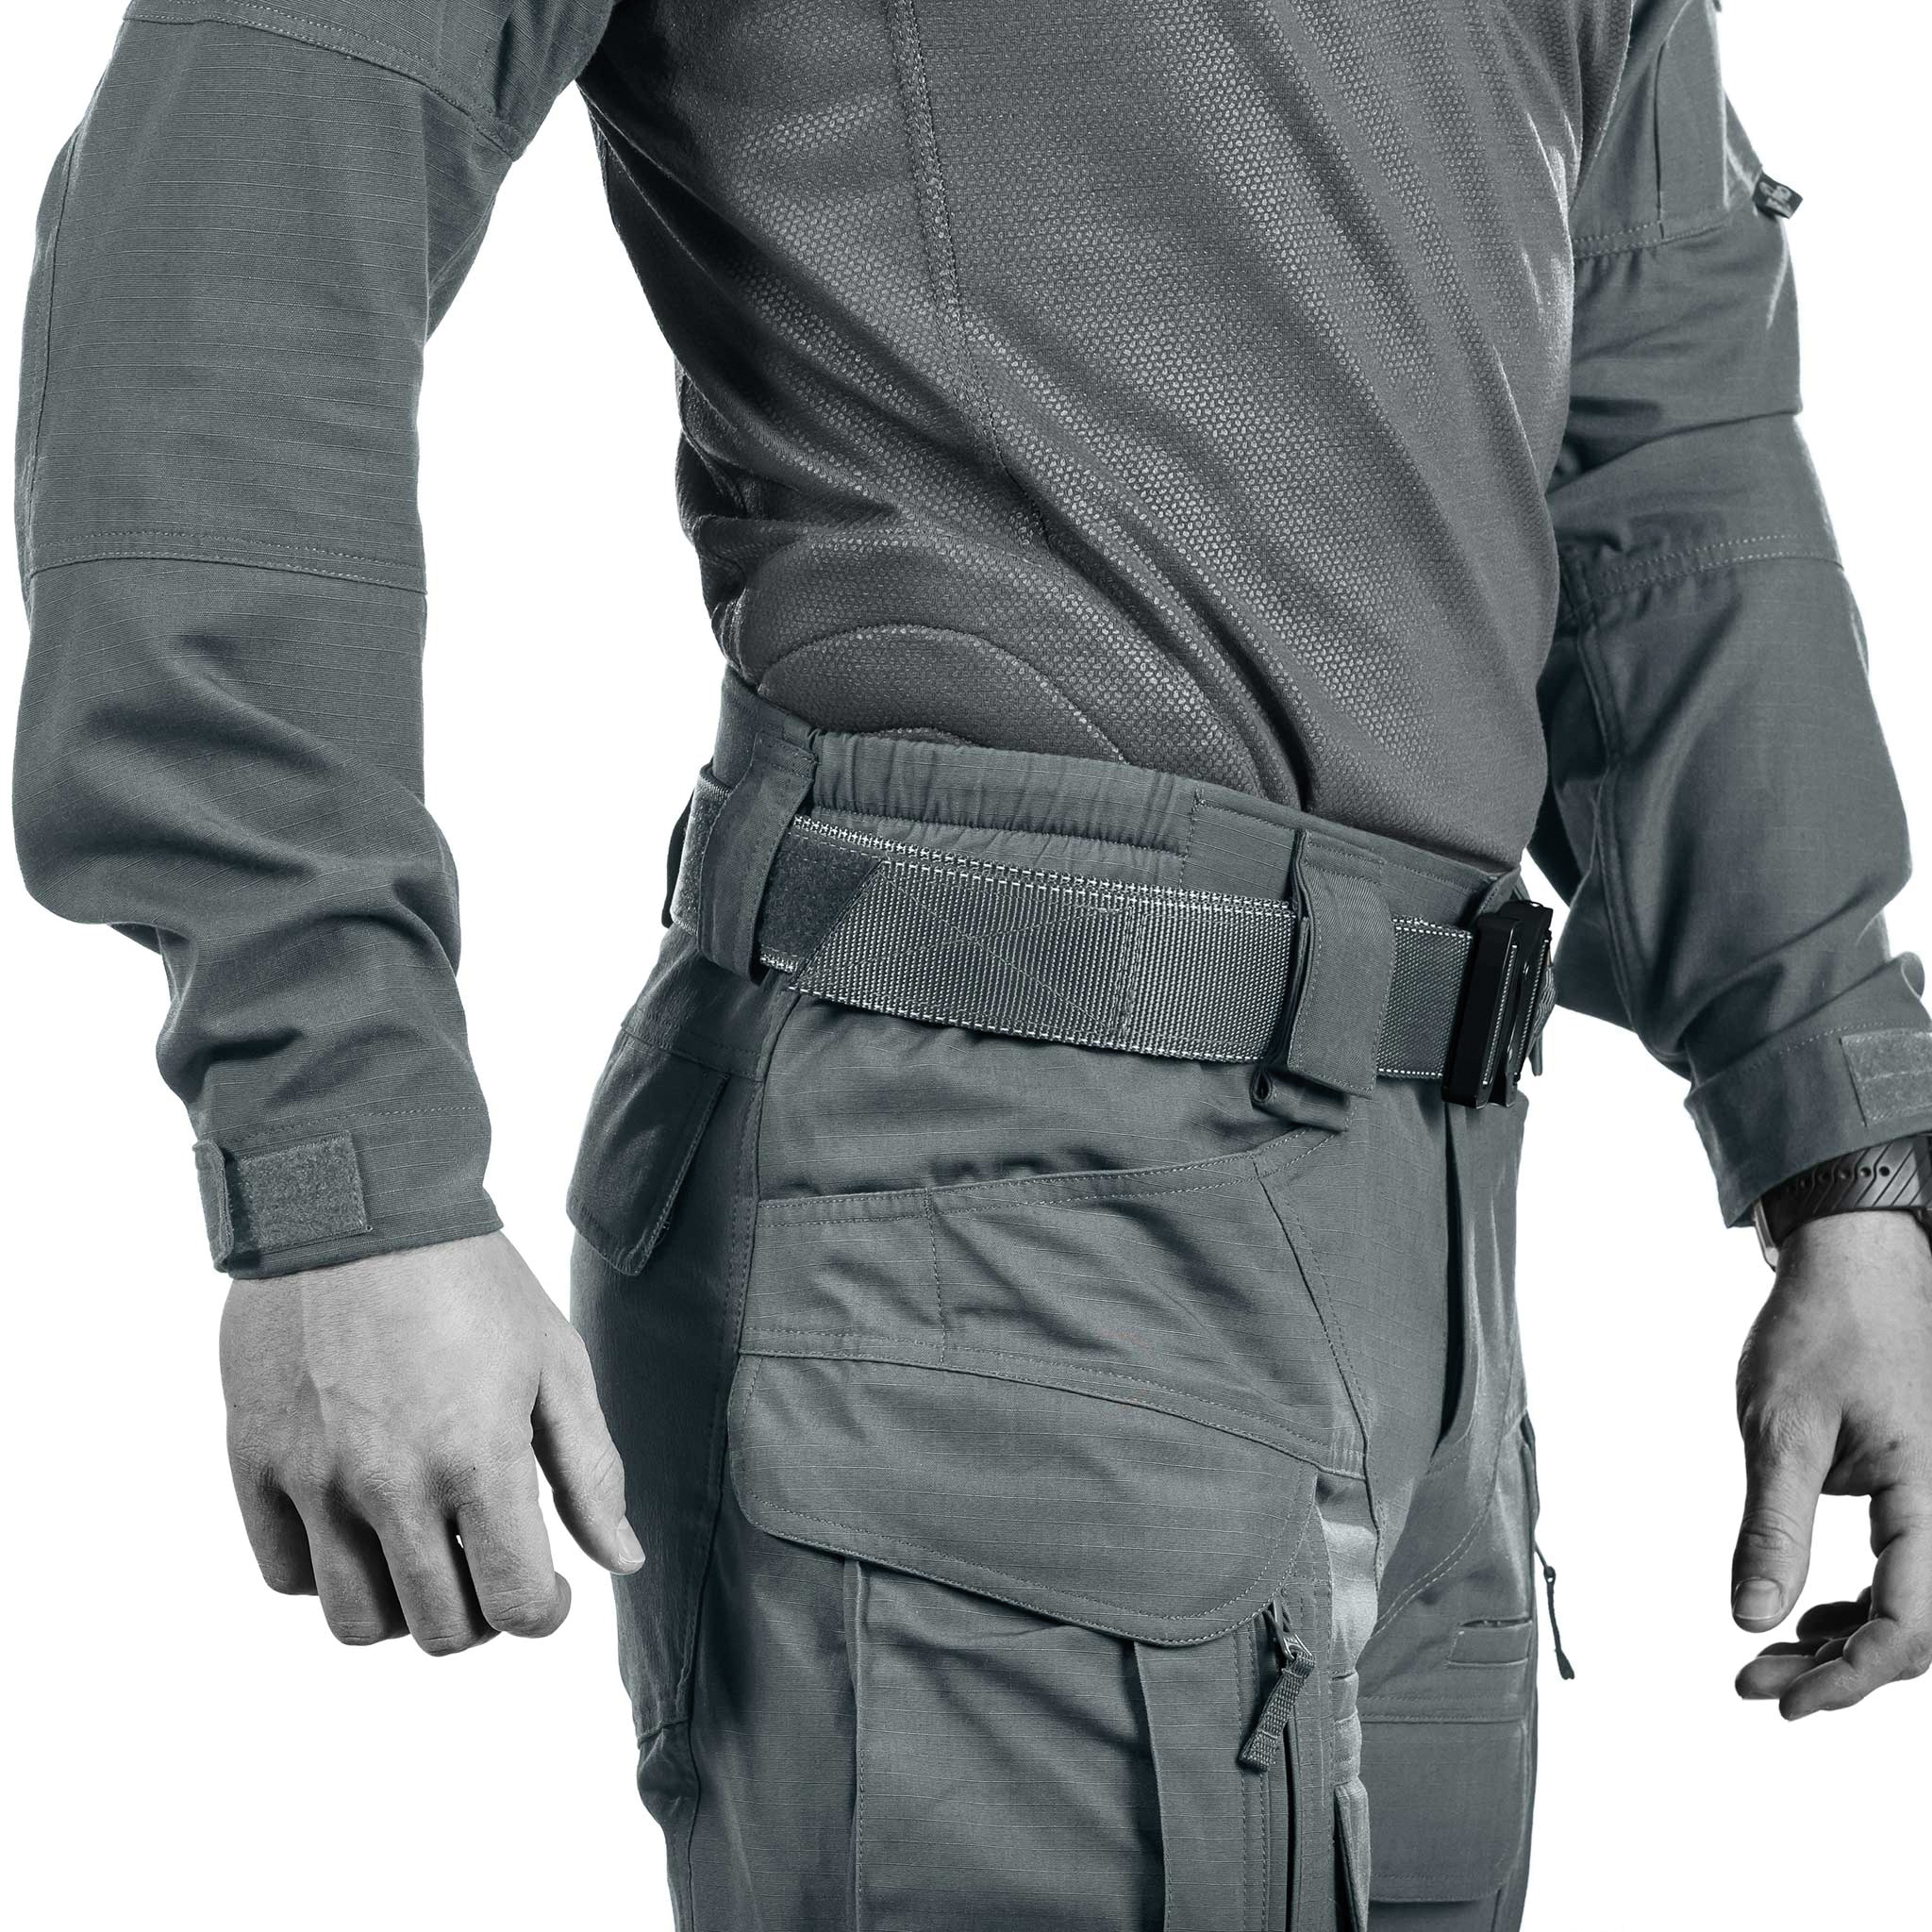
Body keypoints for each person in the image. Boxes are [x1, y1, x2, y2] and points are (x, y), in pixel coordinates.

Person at [15, 2, 1932, 1925]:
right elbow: (231, 242)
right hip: (975, 1209)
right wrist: (334, 1148)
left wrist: (1848, 1159)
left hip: (1431, 1241)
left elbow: (1665, 467)